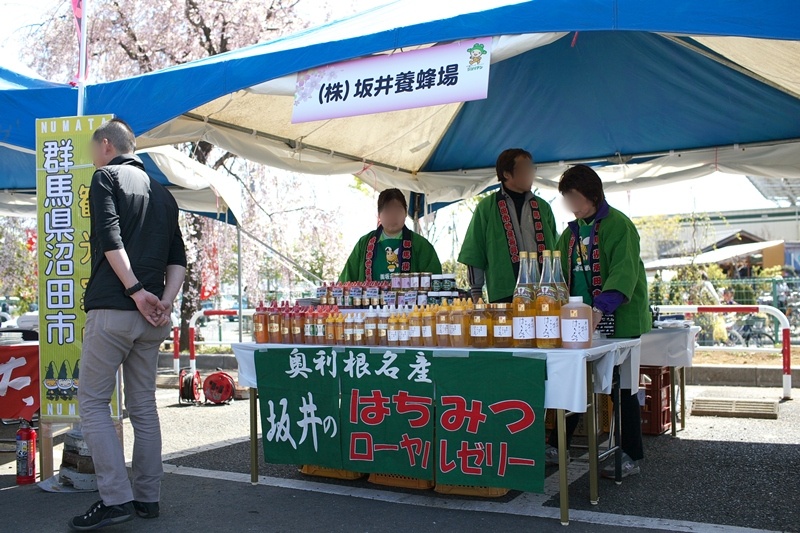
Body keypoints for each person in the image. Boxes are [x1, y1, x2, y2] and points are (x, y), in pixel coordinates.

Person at [70, 119, 186, 531]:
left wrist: (136, 291)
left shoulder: (105, 178)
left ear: (106, 145)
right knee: (143, 406)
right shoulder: (163, 193)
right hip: (152, 318)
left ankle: (115, 499)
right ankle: (148, 499)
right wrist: (164, 303)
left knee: (94, 403)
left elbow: (109, 236)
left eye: (93, 149)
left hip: (114, 310)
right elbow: (178, 258)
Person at [547, 164, 651, 479]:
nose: (572, 205)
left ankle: (631, 454)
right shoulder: (569, 233)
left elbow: (624, 272)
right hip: (578, 321)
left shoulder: (619, 225)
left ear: (592, 194)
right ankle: (556, 444)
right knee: (573, 380)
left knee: (623, 387)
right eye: (567, 198)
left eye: (575, 197)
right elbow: (558, 278)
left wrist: (600, 309)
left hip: (618, 320)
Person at [459, 148, 558, 303]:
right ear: (506, 174)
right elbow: (475, 251)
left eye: (532, 169)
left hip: (544, 293)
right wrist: (476, 294)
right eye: (525, 169)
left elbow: (557, 248)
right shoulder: (486, 207)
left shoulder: (543, 207)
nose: (531, 174)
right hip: (504, 293)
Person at [340, 188, 441, 282]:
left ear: (405, 212)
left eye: (397, 211)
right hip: (371, 301)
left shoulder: (420, 244)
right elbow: (346, 281)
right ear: (379, 215)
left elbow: (434, 282)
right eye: (388, 211)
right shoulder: (364, 243)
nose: (393, 216)